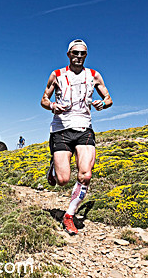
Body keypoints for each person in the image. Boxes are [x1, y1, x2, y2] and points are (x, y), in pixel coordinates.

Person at [40, 39, 113, 235]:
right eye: (75, 53)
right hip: (61, 130)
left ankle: (69, 216)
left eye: (82, 53)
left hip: (84, 130)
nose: (78, 56)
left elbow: (109, 98)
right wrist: (53, 106)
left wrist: (103, 104)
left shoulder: (94, 75)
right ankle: (54, 167)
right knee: (63, 180)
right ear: (68, 54)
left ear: (86, 56)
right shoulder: (56, 75)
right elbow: (44, 100)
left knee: (86, 175)